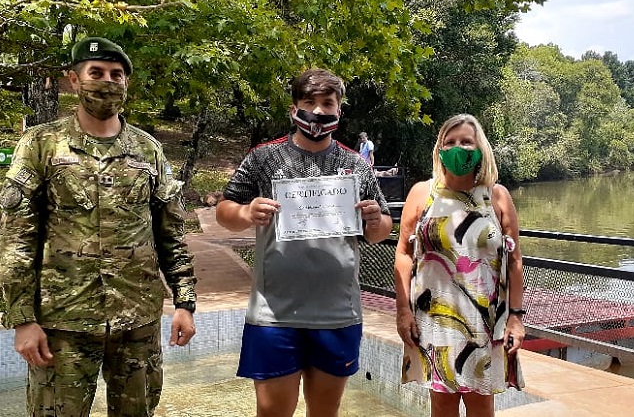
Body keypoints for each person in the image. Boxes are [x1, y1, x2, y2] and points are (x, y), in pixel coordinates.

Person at [0, 36, 198, 417]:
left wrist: (185, 302)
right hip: (63, 321)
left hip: (136, 319)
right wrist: (22, 320)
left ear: (126, 82)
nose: (107, 82)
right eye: (96, 72)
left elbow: (170, 234)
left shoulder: (148, 150)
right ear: (74, 79)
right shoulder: (42, 144)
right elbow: (16, 239)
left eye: (116, 74)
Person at [215, 68, 393, 417]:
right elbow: (224, 210)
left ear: (339, 109)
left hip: (337, 313)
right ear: (294, 108)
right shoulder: (263, 158)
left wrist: (375, 220)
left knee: (325, 412)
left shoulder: (355, 165)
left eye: (327, 103)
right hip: (274, 315)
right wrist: (246, 212)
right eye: (309, 102)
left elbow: (381, 229)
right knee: (272, 413)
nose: (318, 111)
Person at [393, 114, 525, 417]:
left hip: (485, 322)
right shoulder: (422, 194)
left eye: (466, 142)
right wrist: (403, 311)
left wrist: (516, 318)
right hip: (435, 321)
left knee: (481, 405)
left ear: (480, 149)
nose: (458, 148)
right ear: (439, 150)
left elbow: (515, 260)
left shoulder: (496, 197)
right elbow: (403, 253)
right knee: (441, 405)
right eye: (449, 142)